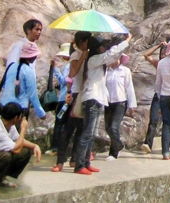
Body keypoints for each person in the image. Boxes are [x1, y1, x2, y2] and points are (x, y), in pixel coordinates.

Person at [75, 34, 131, 174]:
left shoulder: (98, 61)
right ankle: (79, 165)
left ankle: (86, 162)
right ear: (96, 47)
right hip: (92, 99)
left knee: (92, 134)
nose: (105, 48)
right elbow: (112, 54)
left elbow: (111, 56)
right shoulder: (94, 59)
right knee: (87, 133)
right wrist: (127, 40)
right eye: (103, 46)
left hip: (98, 99)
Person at [52, 31, 92, 172]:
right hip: (76, 95)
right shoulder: (75, 55)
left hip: (85, 94)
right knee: (68, 129)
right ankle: (60, 161)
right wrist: (82, 58)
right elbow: (72, 74)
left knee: (81, 130)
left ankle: (75, 159)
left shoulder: (89, 56)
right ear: (82, 42)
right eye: (88, 41)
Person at [0, 41, 48, 127]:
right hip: (19, 110)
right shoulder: (29, 71)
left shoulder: (11, 66)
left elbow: (4, 86)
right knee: (16, 137)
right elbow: (33, 95)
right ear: (31, 56)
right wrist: (41, 113)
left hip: (4, 106)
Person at [103, 54, 137, 161]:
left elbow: (129, 88)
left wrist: (132, 105)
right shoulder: (106, 71)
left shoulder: (125, 71)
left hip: (121, 102)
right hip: (108, 102)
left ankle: (113, 153)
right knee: (108, 128)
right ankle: (119, 145)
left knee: (114, 126)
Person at [139, 41, 169, 155]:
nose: (163, 55)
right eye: (161, 54)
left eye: (165, 53)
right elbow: (146, 55)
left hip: (168, 95)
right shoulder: (158, 63)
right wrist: (158, 46)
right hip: (157, 95)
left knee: (168, 121)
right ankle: (148, 143)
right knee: (153, 119)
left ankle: (168, 145)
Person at [49, 44, 71, 148]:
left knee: (59, 122)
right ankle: (63, 146)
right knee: (66, 123)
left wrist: (55, 69)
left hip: (64, 98)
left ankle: (55, 147)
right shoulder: (74, 65)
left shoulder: (68, 66)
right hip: (69, 98)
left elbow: (63, 80)